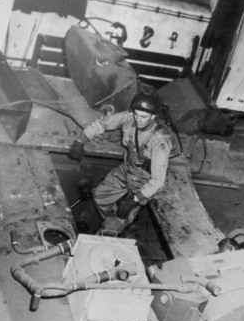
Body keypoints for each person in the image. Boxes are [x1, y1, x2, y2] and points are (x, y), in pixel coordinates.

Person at [68, 92, 180, 235]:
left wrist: (134, 200)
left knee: (114, 224)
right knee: (99, 195)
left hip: (144, 180)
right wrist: (80, 141)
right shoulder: (130, 117)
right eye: (136, 114)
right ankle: (119, 221)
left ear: (153, 116)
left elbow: (158, 181)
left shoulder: (160, 141)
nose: (138, 120)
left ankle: (117, 225)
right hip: (127, 169)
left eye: (144, 117)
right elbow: (102, 124)